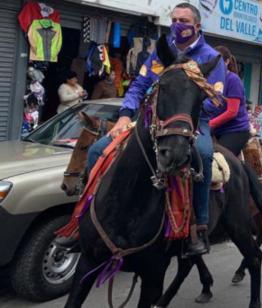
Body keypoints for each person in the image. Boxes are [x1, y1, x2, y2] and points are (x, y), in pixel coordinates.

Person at [73, 3, 225, 256]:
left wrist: (186, 116)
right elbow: (138, 86)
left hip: (191, 125)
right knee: (98, 150)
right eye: (174, 19)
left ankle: (199, 225)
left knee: (204, 155)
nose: (178, 24)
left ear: (197, 26)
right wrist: (123, 116)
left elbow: (218, 100)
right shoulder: (160, 52)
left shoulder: (210, 57)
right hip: (150, 122)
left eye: (184, 20)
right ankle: (84, 219)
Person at [208, 46, 250, 157]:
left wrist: (210, 124)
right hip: (215, 129)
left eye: (219, 61)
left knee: (219, 158)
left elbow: (232, 112)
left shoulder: (233, 80)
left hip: (235, 130)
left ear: (227, 62)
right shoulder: (209, 80)